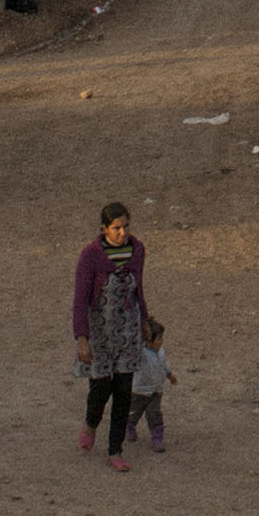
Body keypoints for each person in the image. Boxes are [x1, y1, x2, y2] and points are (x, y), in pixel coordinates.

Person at [72, 201, 151, 471]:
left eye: (126, 226)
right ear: (105, 229)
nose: (122, 232)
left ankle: (115, 450)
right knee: (101, 388)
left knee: (123, 391)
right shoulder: (91, 255)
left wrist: (145, 321)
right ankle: (91, 422)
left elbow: (138, 289)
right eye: (116, 228)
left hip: (128, 331)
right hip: (99, 333)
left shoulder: (137, 250)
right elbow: (80, 299)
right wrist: (81, 337)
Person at [128, 318, 176, 453]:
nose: (161, 342)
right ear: (148, 340)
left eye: (161, 338)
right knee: (134, 412)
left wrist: (169, 375)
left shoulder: (161, 352)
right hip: (139, 391)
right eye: (158, 339)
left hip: (156, 390)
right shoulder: (141, 353)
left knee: (154, 413)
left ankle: (157, 438)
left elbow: (163, 365)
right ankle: (129, 425)